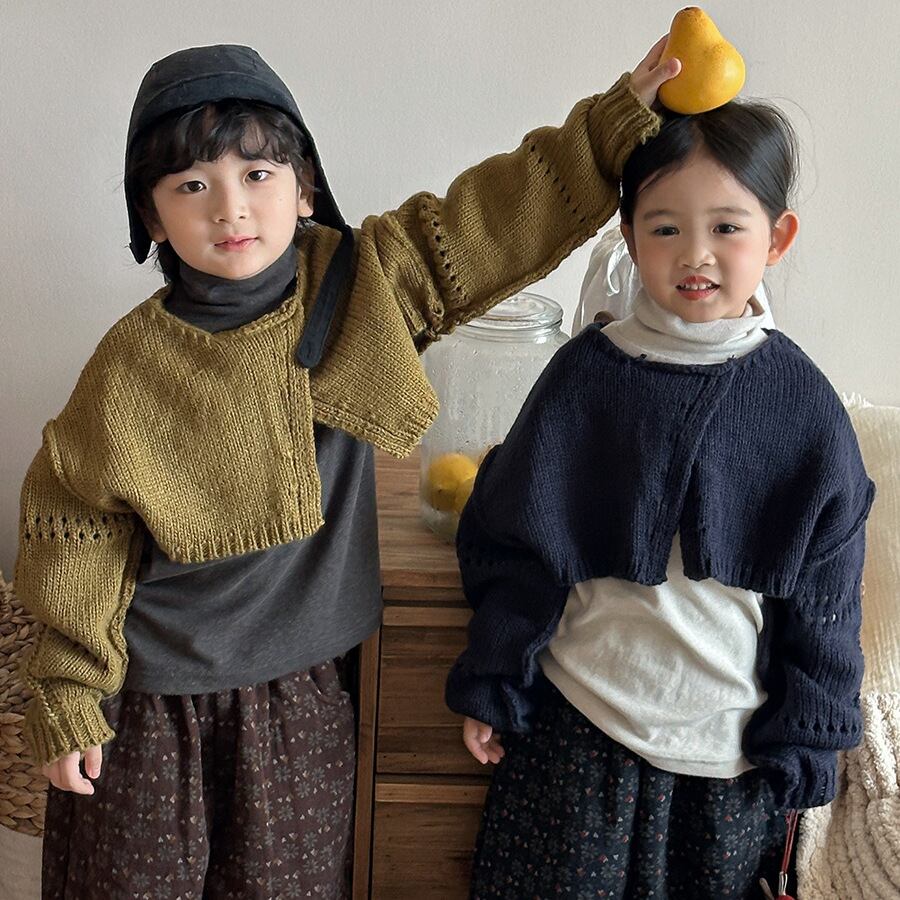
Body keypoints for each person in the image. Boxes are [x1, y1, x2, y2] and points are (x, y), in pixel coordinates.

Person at [14, 39, 681, 899]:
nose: (230, 207)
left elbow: (490, 218)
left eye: (257, 174)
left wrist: (614, 122)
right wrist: (68, 693)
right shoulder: (129, 368)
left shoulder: (365, 288)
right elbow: (74, 528)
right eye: (191, 186)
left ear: (304, 188)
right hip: (152, 699)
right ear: (151, 218)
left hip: (299, 693)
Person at [446, 93, 877, 898]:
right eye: (666, 227)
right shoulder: (585, 374)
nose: (695, 254)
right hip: (578, 735)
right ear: (629, 235)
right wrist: (493, 678)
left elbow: (827, 599)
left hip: (728, 760)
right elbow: (515, 539)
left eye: (727, 227)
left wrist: (810, 741)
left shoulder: (802, 406)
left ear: (777, 237)